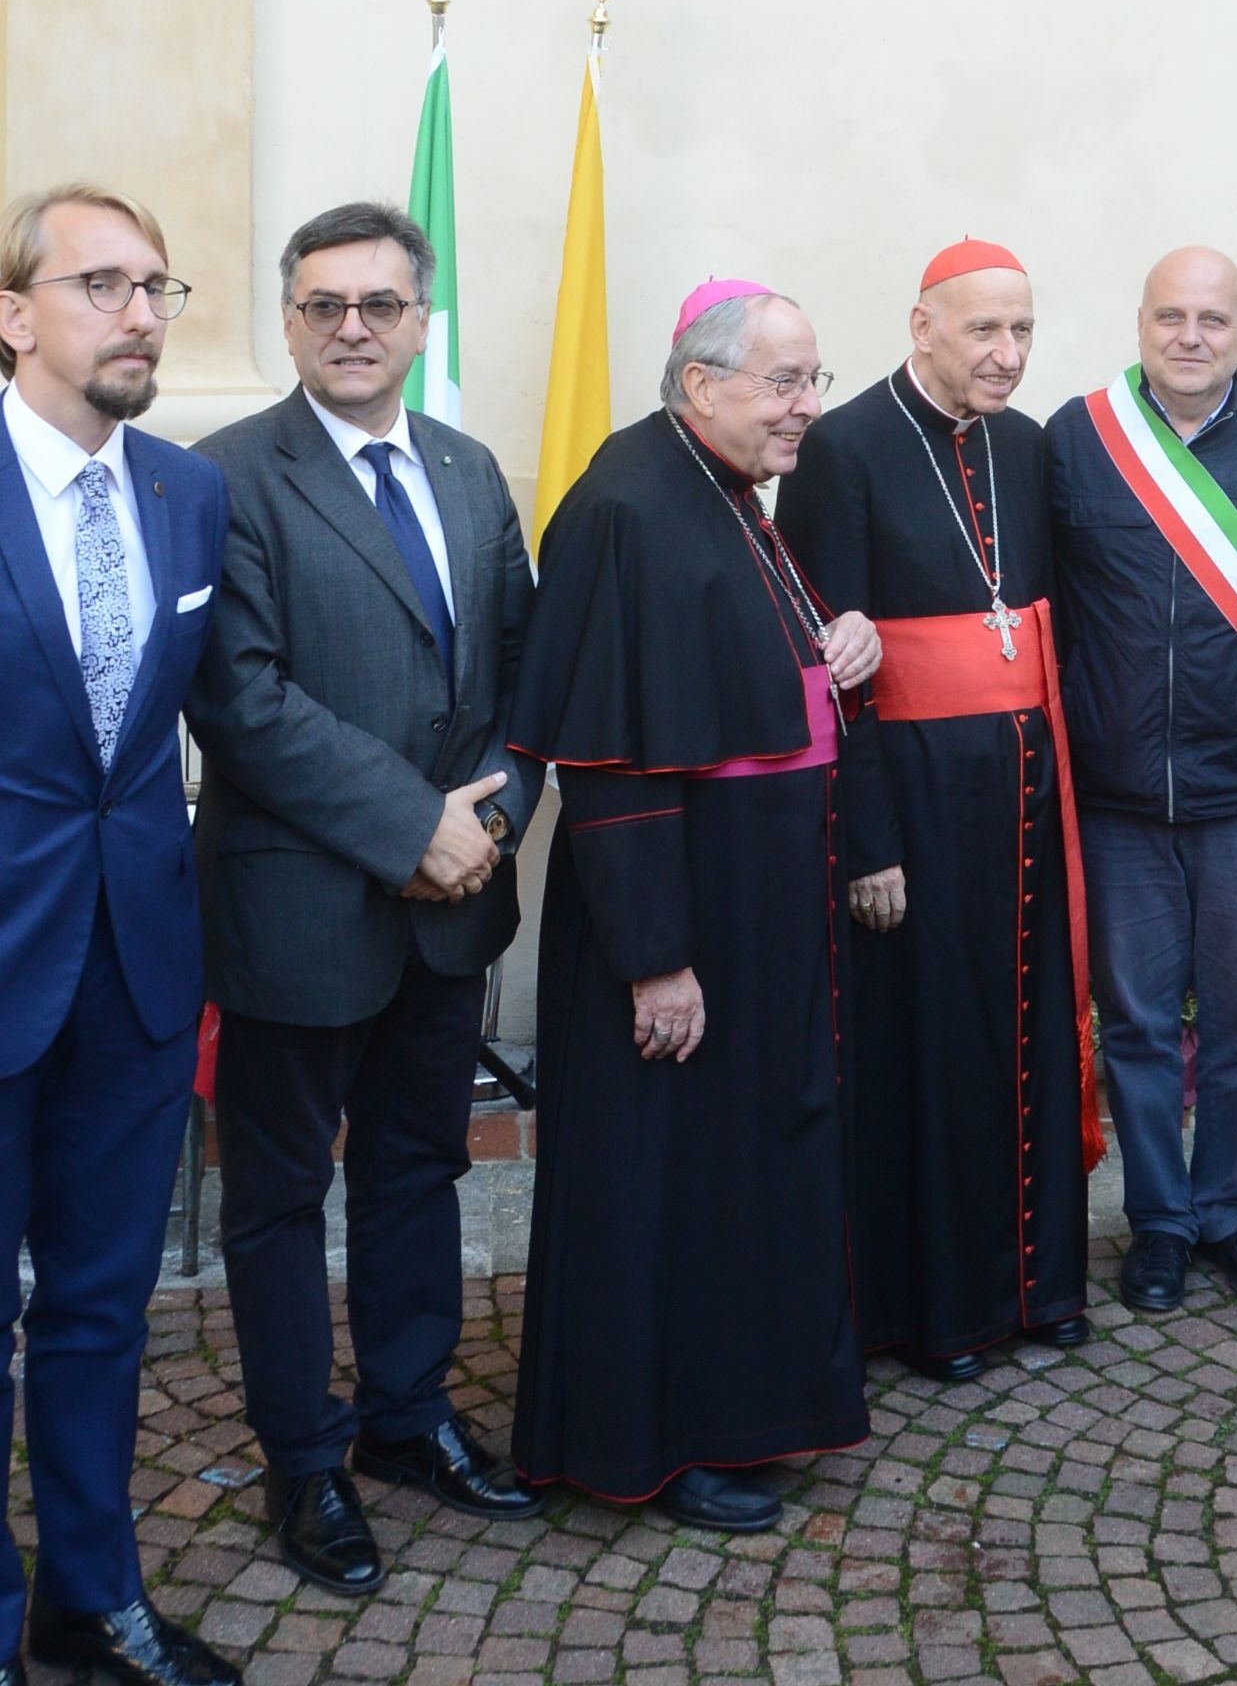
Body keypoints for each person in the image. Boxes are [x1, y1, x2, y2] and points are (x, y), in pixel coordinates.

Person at [191, 204, 540, 1597]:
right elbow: (244, 700)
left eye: (380, 305)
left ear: (417, 322)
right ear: (288, 318)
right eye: (325, 304)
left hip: (450, 908)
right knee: (280, 1200)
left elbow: (526, 671)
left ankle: (407, 1419)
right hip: (300, 912)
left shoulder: (465, 468)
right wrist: (412, 831)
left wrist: (490, 812)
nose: (353, 327)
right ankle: (303, 1460)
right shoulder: (227, 478)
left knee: (419, 1170)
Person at [508, 279, 889, 1531]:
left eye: (814, 380)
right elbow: (612, 764)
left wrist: (838, 652)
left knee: (732, 1175)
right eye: (785, 384)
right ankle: (654, 1439)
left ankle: (740, 1406)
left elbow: (753, 669)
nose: (806, 409)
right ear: (699, 385)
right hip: (677, 921)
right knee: (665, 1182)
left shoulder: (723, 494)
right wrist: (658, 959)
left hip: (753, 909)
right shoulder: (628, 505)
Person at [777, 238, 1100, 1383]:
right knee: (934, 1049)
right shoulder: (844, 447)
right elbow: (831, 666)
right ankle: (939, 1309)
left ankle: (1040, 1281)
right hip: (909, 799)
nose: (1008, 355)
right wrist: (866, 841)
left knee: (1031, 1030)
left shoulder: (1026, 444)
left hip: (1020, 788)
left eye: (1022, 329)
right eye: (983, 330)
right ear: (922, 326)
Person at [0, 187, 238, 1686]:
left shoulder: (186, 496)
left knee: (99, 1307)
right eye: (103, 285)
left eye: (158, 287)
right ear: (15, 315)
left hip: (138, 968)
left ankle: (93, 1599)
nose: (141, 313)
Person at [1045, 247, 1237, 1315]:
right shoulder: (1079, 442)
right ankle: (1159, 1222)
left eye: (1212, 319)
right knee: (1132, 1022)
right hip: (1117, 793)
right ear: (1140, 323)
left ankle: (1230, 1213)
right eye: (1171, 316)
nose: (1191, 335)